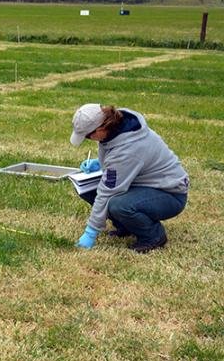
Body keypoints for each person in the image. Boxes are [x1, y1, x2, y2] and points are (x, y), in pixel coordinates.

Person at [70, 104, 189, 253]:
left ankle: (153, 236)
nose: (89, 139)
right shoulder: (115, 128)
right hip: (143, 185)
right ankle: (126, 226)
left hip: (169, 193)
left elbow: (108, 190)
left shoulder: (128, 149)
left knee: (118, 205)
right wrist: (100, 164)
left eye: (88, 136)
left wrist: (91, 232)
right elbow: (119, 162)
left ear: (100, 129)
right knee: (88, 188)